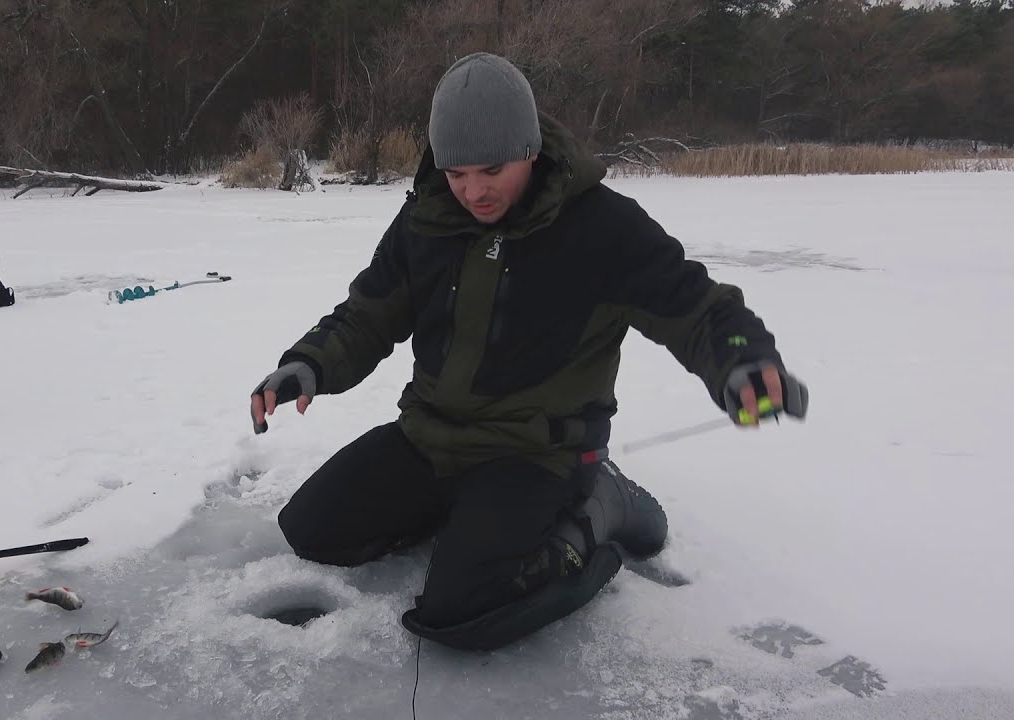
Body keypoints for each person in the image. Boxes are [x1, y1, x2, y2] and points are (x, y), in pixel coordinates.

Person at [249, 52, 808, 651]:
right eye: (456, 172)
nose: (472, 191)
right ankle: (471, 519)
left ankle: (599, 508)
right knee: (311, 529)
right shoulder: (427, 218)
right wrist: (308, 364)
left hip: (538, 455)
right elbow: (369, 313)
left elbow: (698, 307)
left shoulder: (601, 226)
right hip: (431, 438)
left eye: (491, 169)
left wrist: (744, 361)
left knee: (459, 613)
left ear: (530, 149)